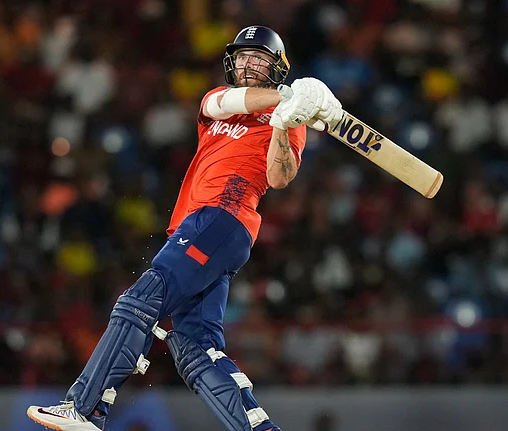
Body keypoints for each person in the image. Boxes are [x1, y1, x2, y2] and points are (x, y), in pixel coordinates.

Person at [26, 25, 342, 431]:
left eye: (258, 57)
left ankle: (85, 408)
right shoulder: (218, 101)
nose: (247, 63)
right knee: (196, 349)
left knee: (139, 301)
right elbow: (226, 102)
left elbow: (280, 178)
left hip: (222, 219)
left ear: (276, 66)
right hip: (204, 229)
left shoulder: (289, 121)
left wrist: (285, 121)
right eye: (242, 56)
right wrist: (289, 97)